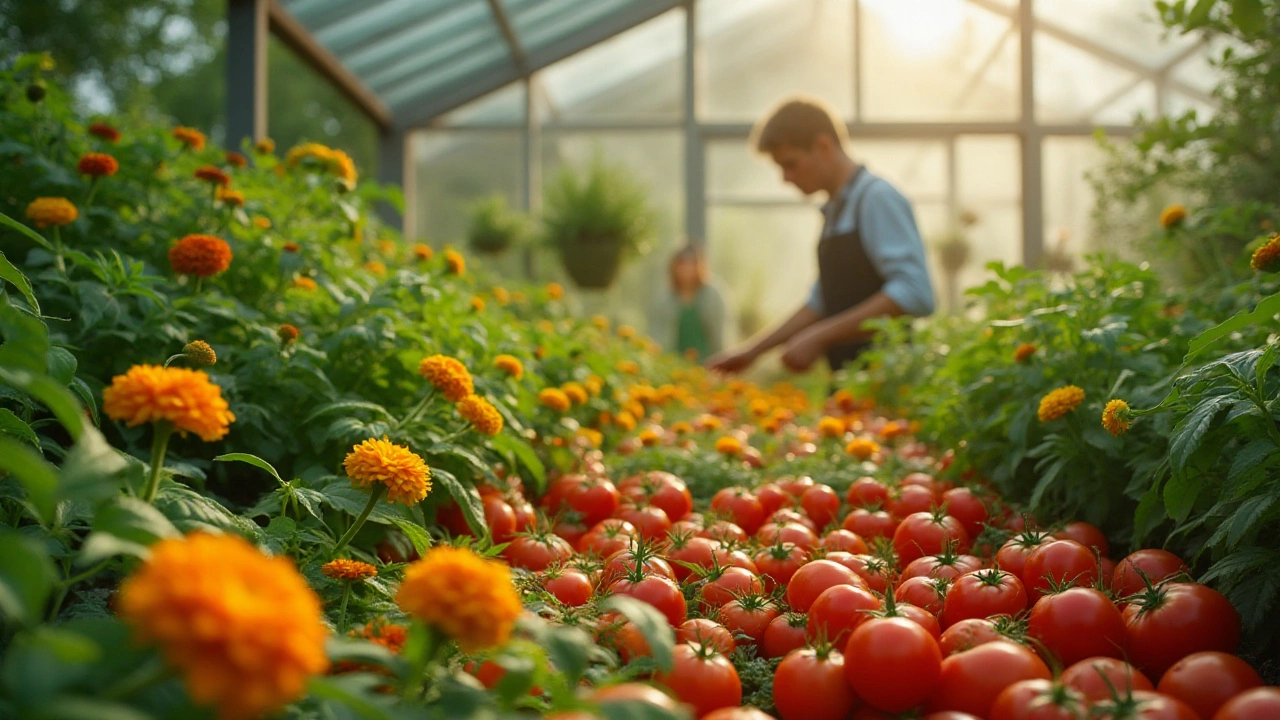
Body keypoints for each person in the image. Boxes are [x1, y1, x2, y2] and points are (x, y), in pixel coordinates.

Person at [707, 96, 935, 374]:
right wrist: (752, 352)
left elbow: (914, 293)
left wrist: (821, 335)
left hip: (887, 383)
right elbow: (822, 301)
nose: (786, 178)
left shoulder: (877, 198)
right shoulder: (836, 212)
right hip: (849, 384)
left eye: (790, 164)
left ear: (824, 146)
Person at [651, 244, 729, 361]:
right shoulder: (666, 298)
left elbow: (722, 332)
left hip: (708, 362)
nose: (687, 269)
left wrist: (723, 360)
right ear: (674, 267)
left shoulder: (713, 295)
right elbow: (658, 334)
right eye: (682, 264)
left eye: (691, 264)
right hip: (675, 363)